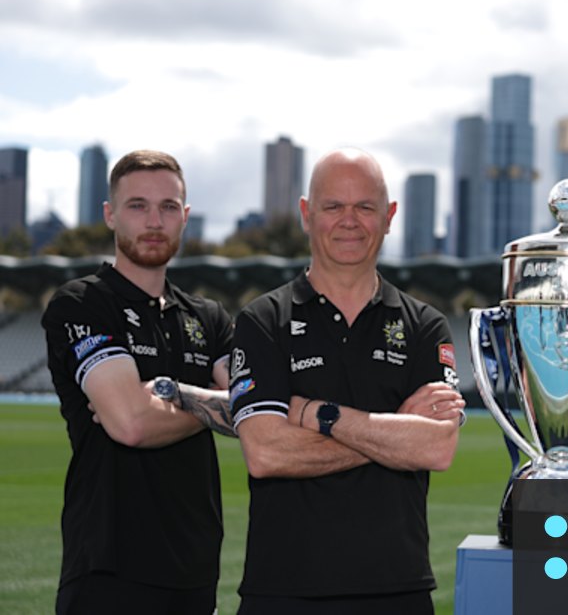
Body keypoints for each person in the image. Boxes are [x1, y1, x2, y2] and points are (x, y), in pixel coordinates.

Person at [230, 148, 463, 614]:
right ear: (306, 214)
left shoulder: (425, 326)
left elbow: (435, 449)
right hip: (283, 590)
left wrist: (318, 415)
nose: (349, 221)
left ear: (390, 216)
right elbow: (266, 452)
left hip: (398, 590)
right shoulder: (262, 321)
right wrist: (394, 431)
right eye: (333, 206)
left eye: (365, 207)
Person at [42, 150, 236, 614]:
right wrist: (216, 407)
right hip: (108, 567)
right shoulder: (83, 303)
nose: (154, 220)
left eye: (168, 207)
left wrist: (175, 395)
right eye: (137, 205)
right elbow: (130, 423)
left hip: (195, 566)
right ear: (110, 215)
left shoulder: (208, 318)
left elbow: (255, 409)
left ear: (185, 217)